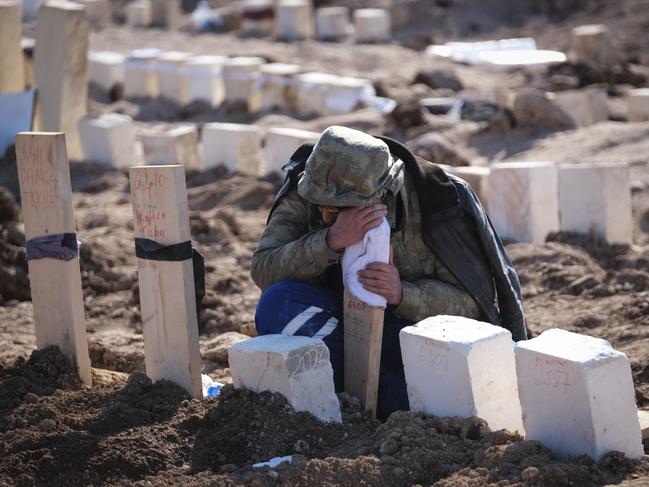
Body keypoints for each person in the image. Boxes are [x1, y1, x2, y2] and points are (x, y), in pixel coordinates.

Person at [251, 125, 525, 419]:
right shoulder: (311, 186)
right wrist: (330, 240)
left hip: (404, 330)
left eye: (340, 207)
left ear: (384, 194)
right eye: (323, 207)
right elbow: (264, 270)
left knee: (446, 393)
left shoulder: (436, 201)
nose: (325, 214)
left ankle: (376, 397)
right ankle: (369, 394)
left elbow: (472, 305)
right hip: (334, 322)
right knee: (276, 304)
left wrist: (402, 293)